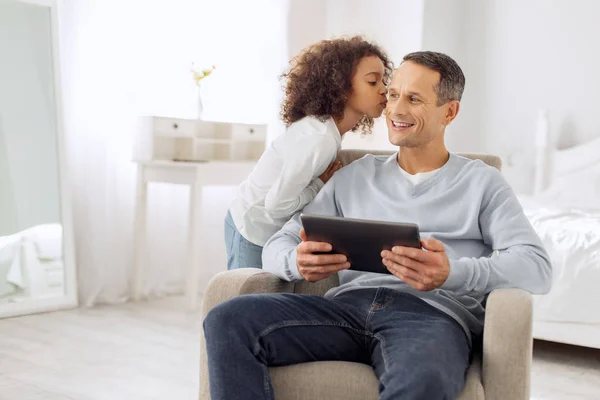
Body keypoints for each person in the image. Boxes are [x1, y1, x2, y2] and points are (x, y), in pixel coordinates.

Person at [205, 51, 552, 399]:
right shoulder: (354, 176)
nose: (396, 109)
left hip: (430, 317)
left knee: (423, 379)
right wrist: (294, 260)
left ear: (449, 111)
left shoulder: (482, 183)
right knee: (227, 320)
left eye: (414, 98)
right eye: (393, 95)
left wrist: (452, 274)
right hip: (344, 310)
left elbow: (536, 267)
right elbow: (280, 241)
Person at [224, 36, 392, 270]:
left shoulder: (328, 131)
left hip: (265, 229)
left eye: (384, 80)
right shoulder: (319, 138)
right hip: (252, 227)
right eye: (373, 82)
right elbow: (276, 205)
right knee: (242, 300)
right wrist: (318, 185)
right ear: (342, 87)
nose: (385, 89)